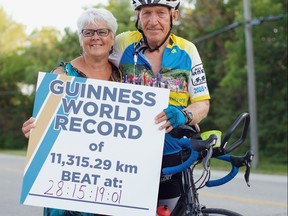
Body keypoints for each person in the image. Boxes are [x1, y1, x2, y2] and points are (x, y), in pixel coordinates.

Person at [109, 0, 210, 212]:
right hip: (128, 154)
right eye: (146, 13)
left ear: (174, 16)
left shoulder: (188, 50)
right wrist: (59, 78)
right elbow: (91, 64)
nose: (153, 21)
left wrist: (185, 115)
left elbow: (201, 102)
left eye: (160, 13)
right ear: (138, 16)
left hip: (172, 153)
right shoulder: (122, 43)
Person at [22, 8, 120, 216]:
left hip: (110, 183)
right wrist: (34, 131)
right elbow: (43, 128)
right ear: (80, 39)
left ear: (112, 38)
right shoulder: (61, 76)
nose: (95, 38)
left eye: (102, 32)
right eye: (88, 32)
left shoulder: (124, 77)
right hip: (68, 185)